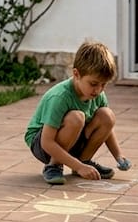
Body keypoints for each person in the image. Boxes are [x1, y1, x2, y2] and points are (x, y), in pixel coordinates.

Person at [24, 40, 124, 185]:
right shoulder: (60, 97)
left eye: (104, 84)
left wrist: (119, 156)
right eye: (94, 84)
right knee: (76, 117)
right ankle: (53, 166)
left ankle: (84, 161)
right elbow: (46, 142)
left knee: (107, 115)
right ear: (76, 74)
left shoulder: (97, 94)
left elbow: (108, 128)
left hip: (72, 139)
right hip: (42, 144)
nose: (99, 90)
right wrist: (77, 165)